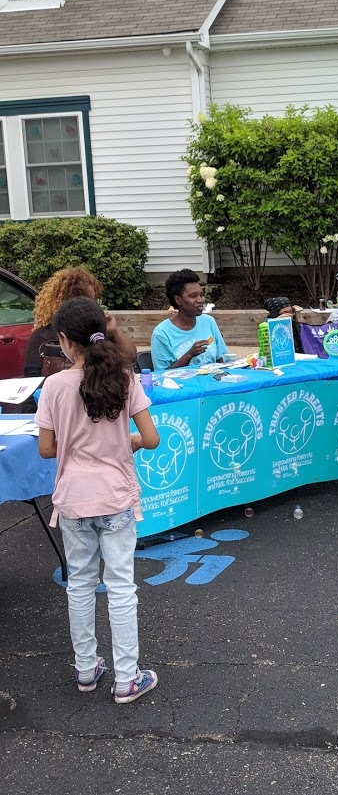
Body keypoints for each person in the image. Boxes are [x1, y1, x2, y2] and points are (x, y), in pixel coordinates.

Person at [35, 297, 160, 703]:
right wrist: (129, 443)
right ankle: (127, 678)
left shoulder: (52, 386)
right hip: (115, 497)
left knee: (80, 585)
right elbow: (152, 438)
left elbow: (47, 450)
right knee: (121, 586)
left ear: (64, 341)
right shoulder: (125, 377)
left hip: (73, 499)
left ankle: (86, 669)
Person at [24, 266, 137, 378]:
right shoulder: (43, 336)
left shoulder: (97, 328)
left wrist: (114, 330)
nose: (90, 305)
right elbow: (32, 378)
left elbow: (131, 357)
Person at [151, 269, 228, 370]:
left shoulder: (209, 322)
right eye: (193, 296)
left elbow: (220, 359)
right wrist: (189, 355)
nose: (200, 300)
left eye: (201, 295)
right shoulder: (162, 333)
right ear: (178, 300)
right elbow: (160, 376)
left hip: (212, 383)